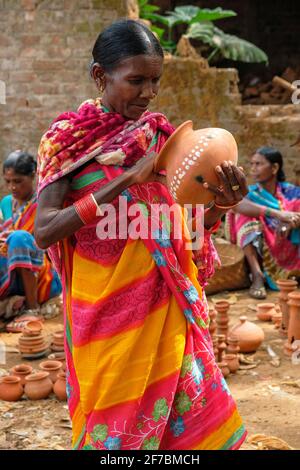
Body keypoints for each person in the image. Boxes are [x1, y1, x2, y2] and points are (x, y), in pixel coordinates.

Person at [35, 19, 248, 450]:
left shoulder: (164, 140)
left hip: (167, 309)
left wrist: (222, 203)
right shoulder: (67, 142)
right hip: (106, 321)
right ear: (100, 76)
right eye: (136, 80)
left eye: (155, 81)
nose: (149, 93)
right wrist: (124, 181)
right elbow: (43, 231)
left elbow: (186, 230)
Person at [225, 146, 300, 299]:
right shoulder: (250, 193)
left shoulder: (291, 191)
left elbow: (296, 213)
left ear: (274, 168)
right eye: (252, 164)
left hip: (286, 241)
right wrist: (278, 214)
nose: (253, 169)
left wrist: (290, 223)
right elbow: (237, 205)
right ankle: (257, 274)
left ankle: (292, 273)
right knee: (243, 217)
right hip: (259, 244)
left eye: (258, 164)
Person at [0, 150, 62, 331]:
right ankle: (12, 303)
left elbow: (47, 243)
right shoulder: (5, 203)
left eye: (18, 181)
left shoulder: (44, 202)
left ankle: (32, 307)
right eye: (8, 182)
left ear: (33, 176)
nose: (12, 187)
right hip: (11, 269)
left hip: (40, 274)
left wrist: (12, 238)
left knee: (20, 238)